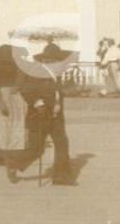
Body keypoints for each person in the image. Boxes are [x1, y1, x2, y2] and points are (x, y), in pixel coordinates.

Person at [6, 43, 77, 186]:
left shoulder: (56, 73)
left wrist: (58, 103)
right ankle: (13, 163)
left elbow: (58, 92)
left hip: (56, 114)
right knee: (36, 149)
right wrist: (37, 102)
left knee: (62, 143)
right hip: (39, 114)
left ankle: (61, 177)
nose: (56, 62)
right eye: (53, 60)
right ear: (45, 59)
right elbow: (26, 90)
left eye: (57, 60)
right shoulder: (35, 72)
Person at [0, 44, 27, 165]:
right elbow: (22, 80)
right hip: (14, 97)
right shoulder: (17, 65)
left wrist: (0, 101)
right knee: (14, 126)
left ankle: (1, 155)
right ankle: (13, 154)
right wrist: (18, 88)